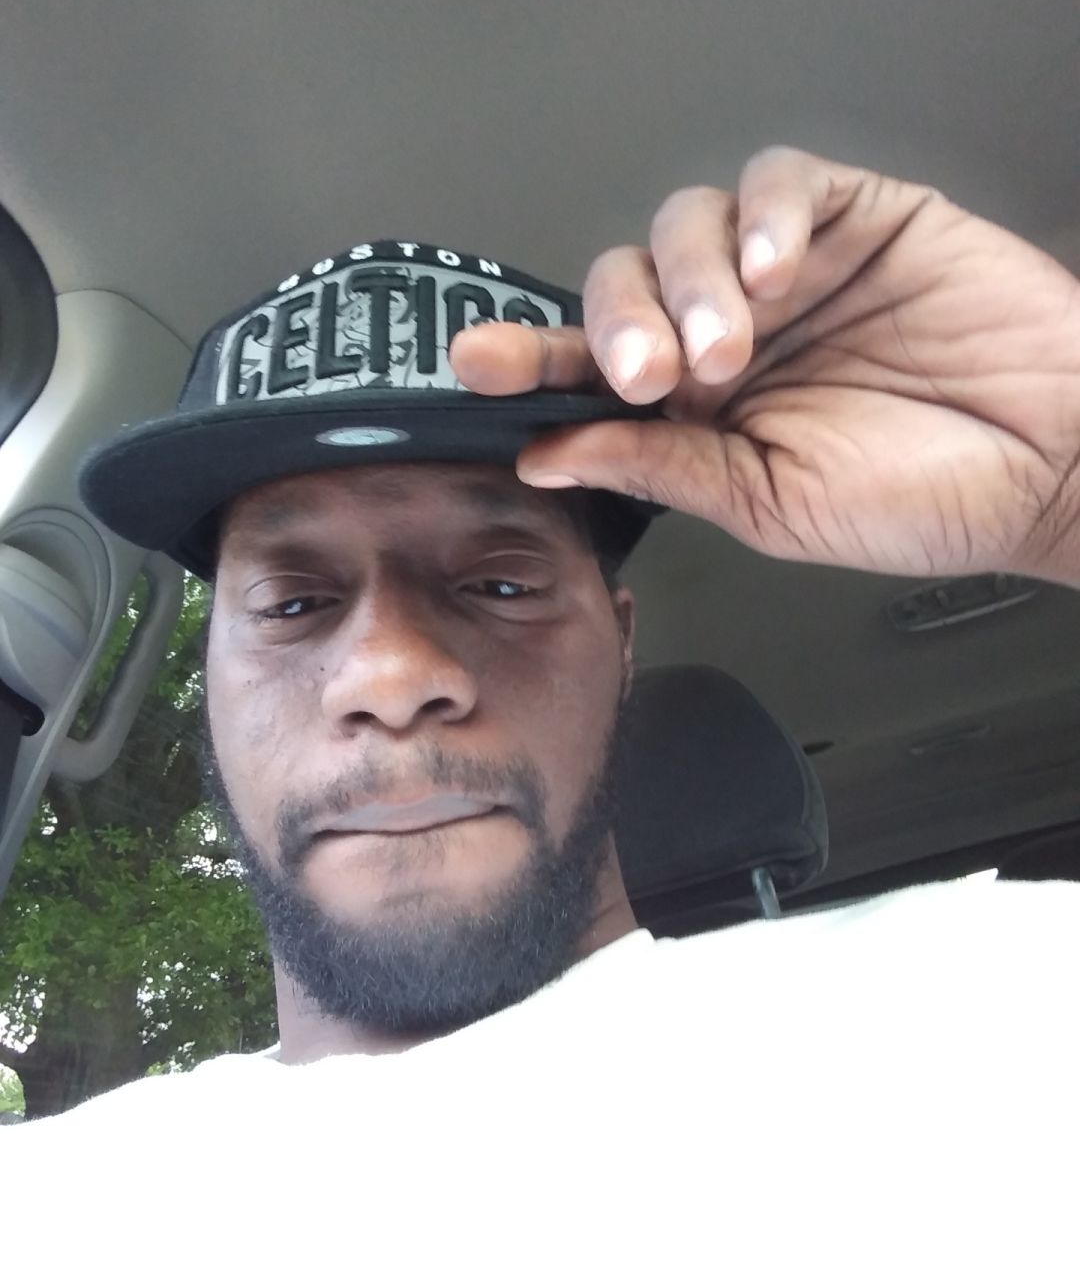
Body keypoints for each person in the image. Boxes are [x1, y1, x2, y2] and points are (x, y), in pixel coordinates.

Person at [3, 146, 1077, 1264]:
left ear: (622, 645)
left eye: (502, 586)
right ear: (211, 683)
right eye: (295, 603)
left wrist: (1066, 488)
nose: (389, 676)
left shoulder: (989, 1014)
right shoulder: (48, 1202)